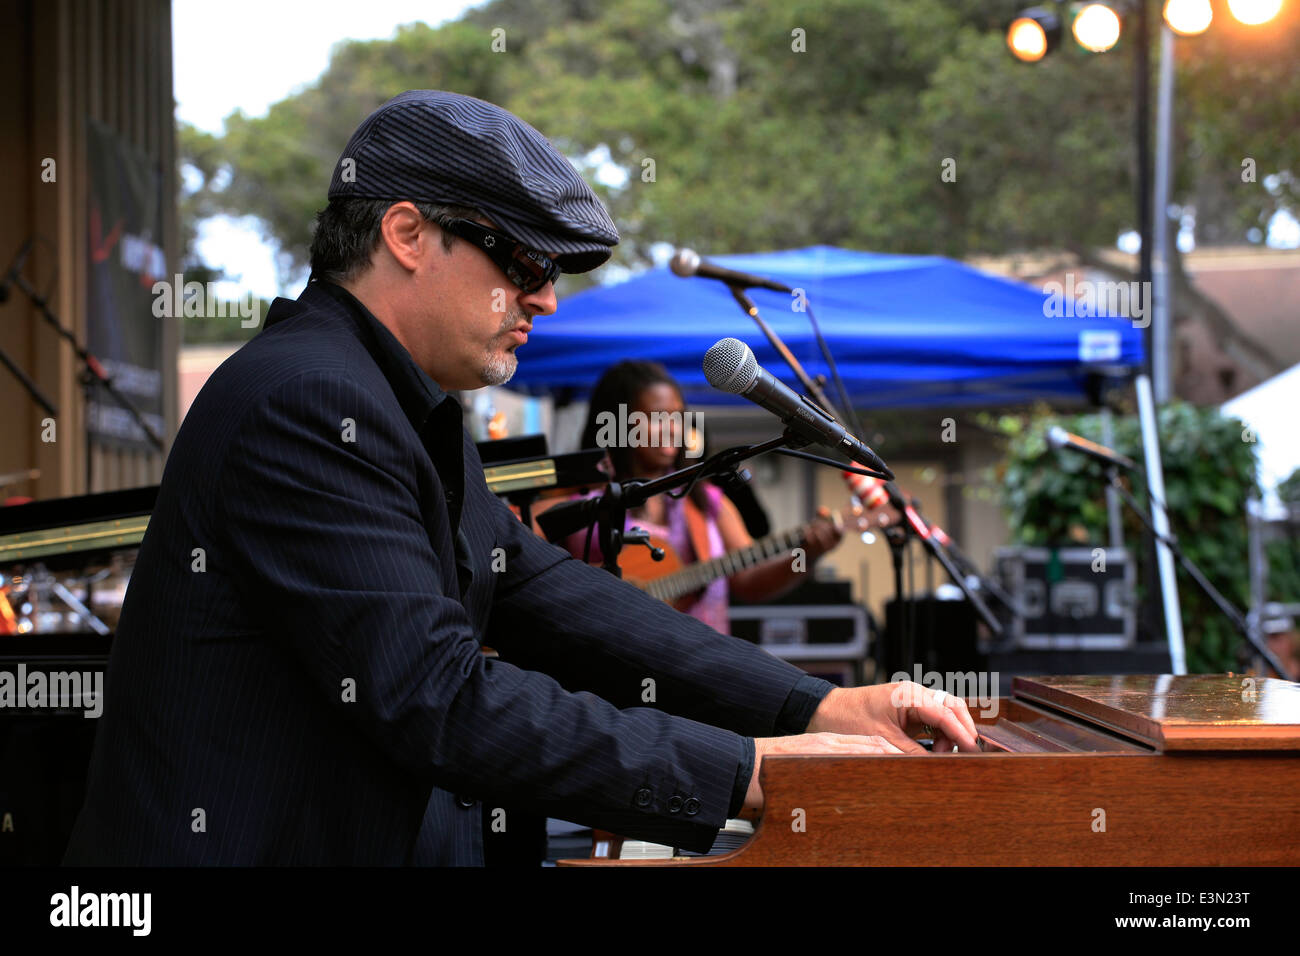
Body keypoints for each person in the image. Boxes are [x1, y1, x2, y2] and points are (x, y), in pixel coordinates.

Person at [64, 90, 977, 866]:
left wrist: (815, 701)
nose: (543, 297)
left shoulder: (395, 399)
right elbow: (438, 695)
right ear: (408, 234)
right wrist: (754, 771)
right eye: (525, 262)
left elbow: (546, 591)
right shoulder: (306, 402)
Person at [561, 360, 846, 634]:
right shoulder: (579, 502)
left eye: (677, 417)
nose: (672, 429)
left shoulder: (707, 501)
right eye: (656, 418)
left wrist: (806, 555)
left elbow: (748, 582)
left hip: (702, 665)